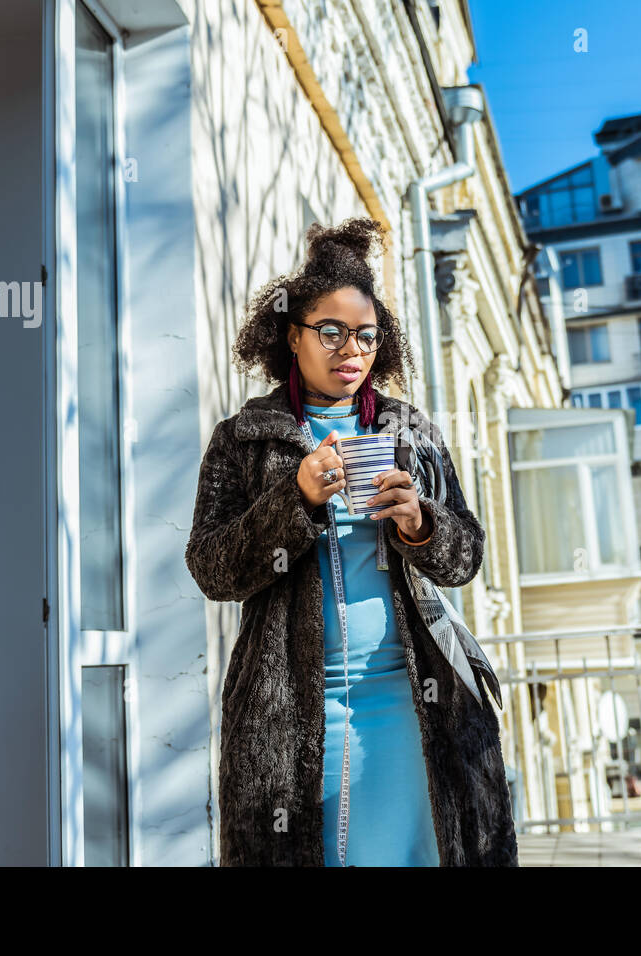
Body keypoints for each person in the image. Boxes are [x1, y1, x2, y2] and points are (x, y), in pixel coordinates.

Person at [185, 216, 519, 866]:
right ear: (293, 335)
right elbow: (212, 570)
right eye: (331, 331)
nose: (352, 350)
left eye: (367, 335)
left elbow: (466, 555)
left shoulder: (410, 430)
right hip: (291, 710)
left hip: (407, 699)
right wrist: (295, 501)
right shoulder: (244, 439)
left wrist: (421, 524)